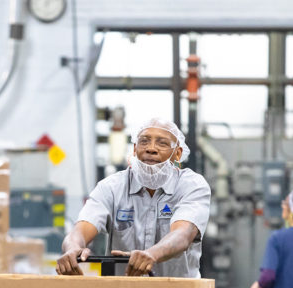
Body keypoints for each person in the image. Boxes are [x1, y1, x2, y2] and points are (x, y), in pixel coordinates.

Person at [55, 118, 210, 278]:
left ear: (177, 154)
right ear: (135, 149)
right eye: (144, 142)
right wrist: (72, 247)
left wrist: (152, 254)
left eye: (162, 143)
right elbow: (81, 229)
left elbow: (183, 235)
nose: (151, 148)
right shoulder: (112, 187)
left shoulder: (192, 185)